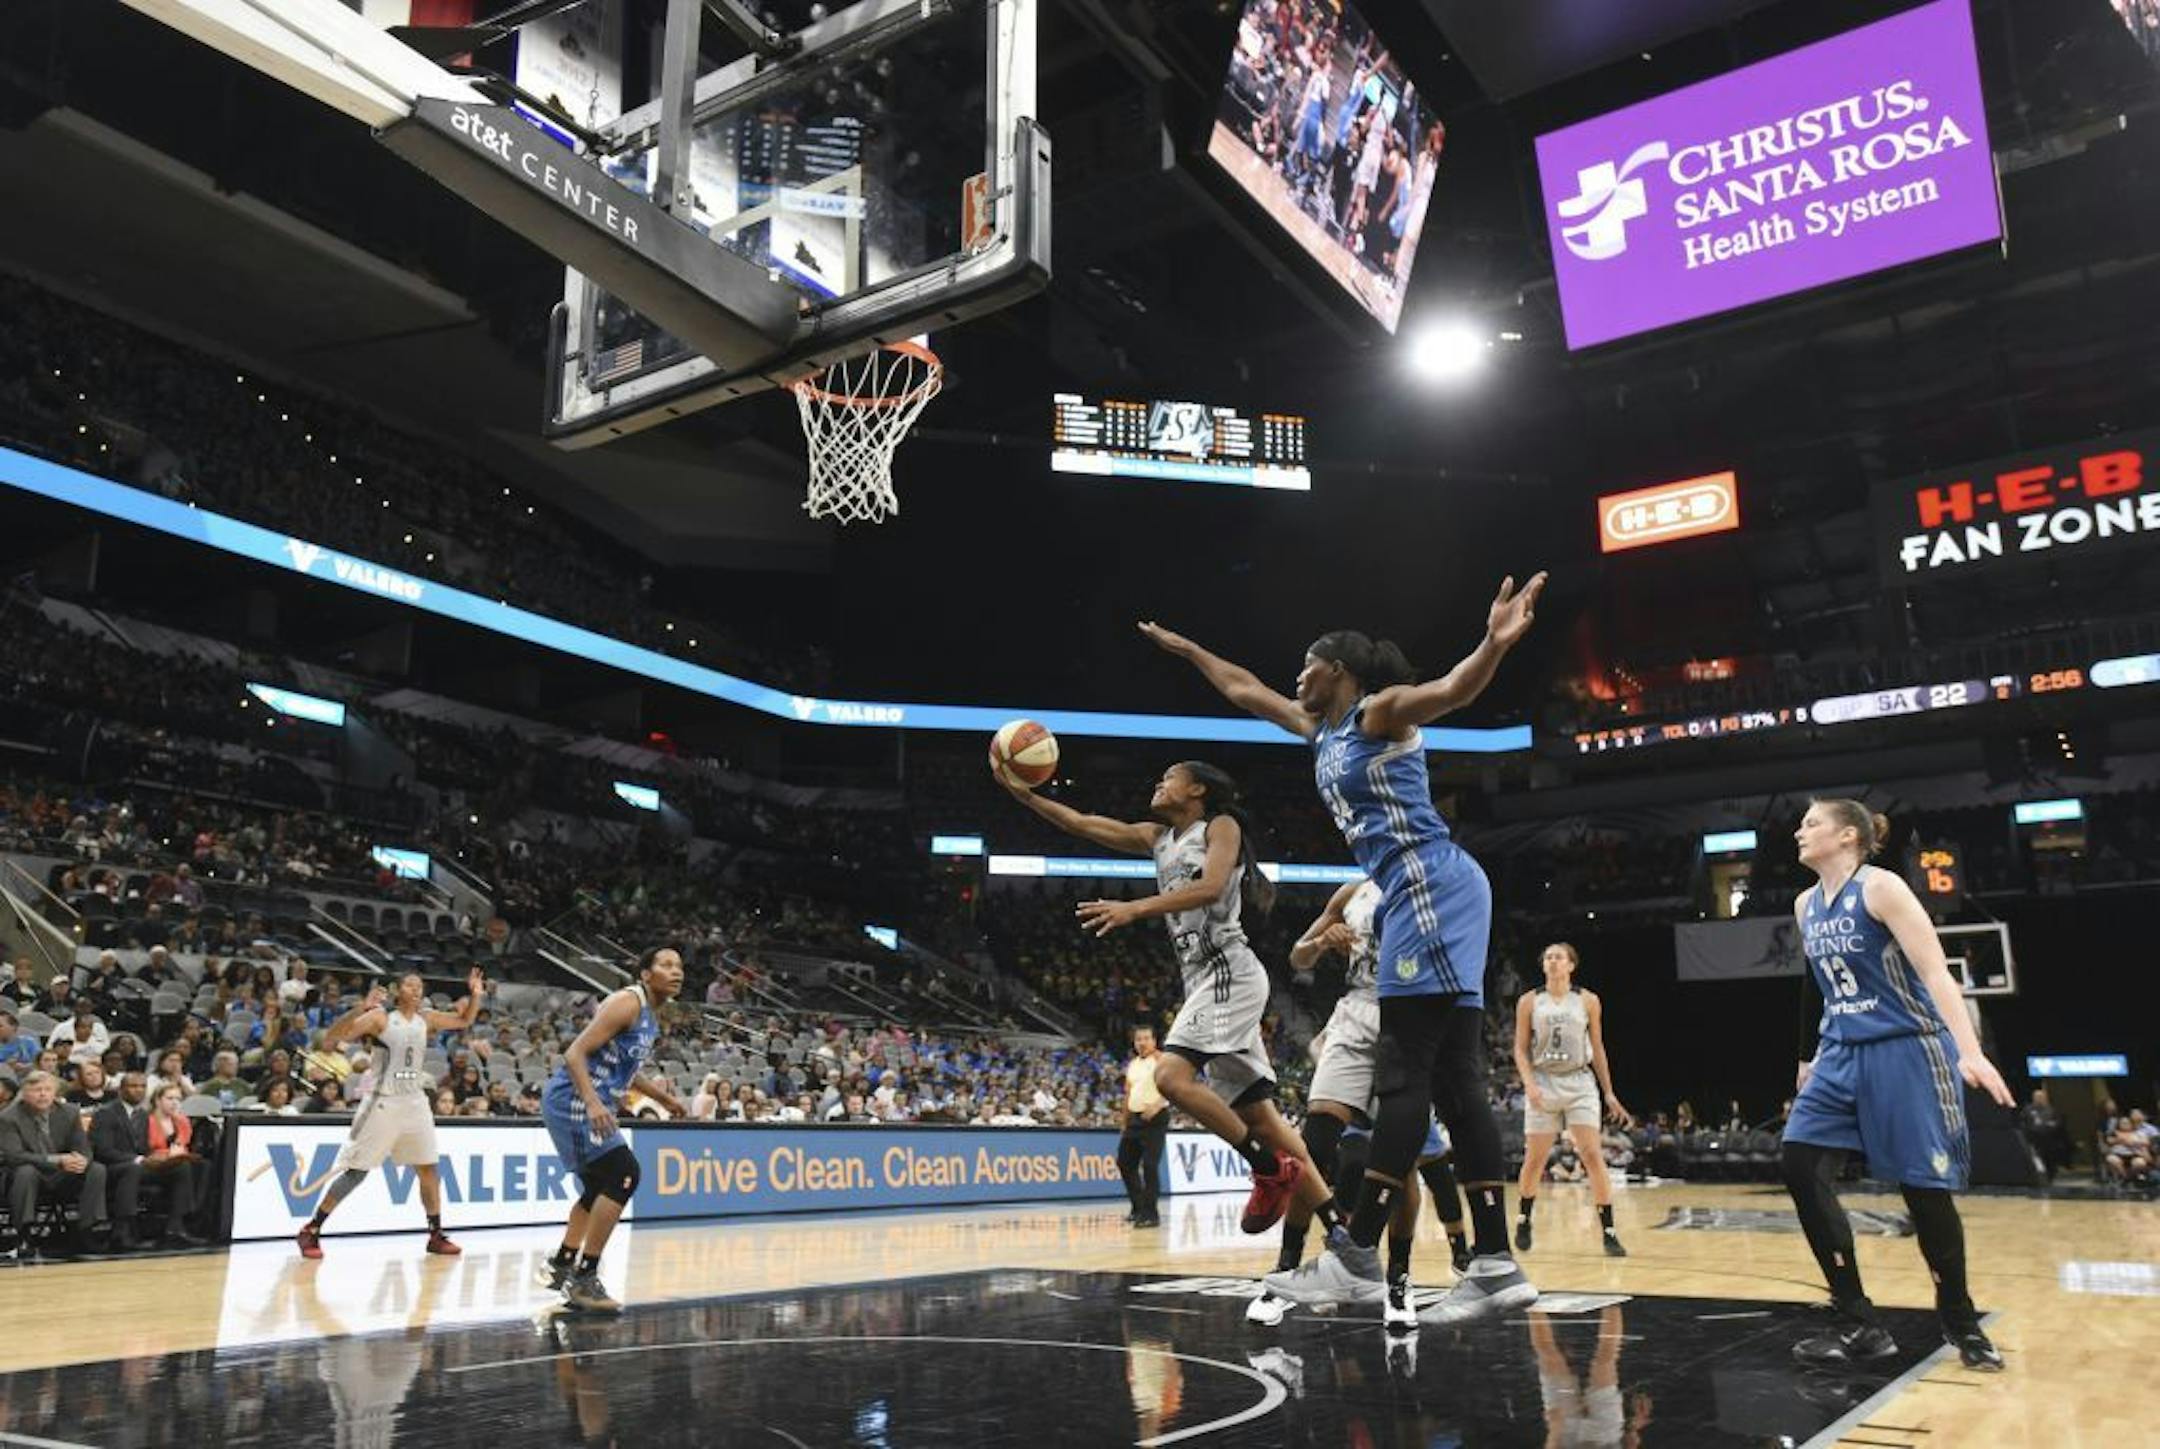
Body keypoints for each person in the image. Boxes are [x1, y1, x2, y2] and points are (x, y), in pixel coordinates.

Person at [1141, 573, 1546, 1328]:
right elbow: (1241, 686)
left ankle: (1356, 1252)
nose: (1296, 675)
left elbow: (1455, 690)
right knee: (1455, 1076)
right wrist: (1187, 647)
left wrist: (1494, 641)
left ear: (1341, 670)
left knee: (1406, 1073)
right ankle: (1492, 1262)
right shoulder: (1317, 729)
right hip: (1425, 891)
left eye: (1308, 663)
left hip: (1429, 884)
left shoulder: (1375, 712)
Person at [998, 759, 1333, 1239]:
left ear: (1196, 788)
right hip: (1202, 980)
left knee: (1170, 1076)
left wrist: (1134, 907)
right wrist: (1025, 796)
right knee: (1263, 1118)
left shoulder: (1220, 825)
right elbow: (1082, 823)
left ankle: (1266, 1169)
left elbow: (1211, 886)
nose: (1158, 783)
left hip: (1228, 972)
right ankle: (1340, 1229)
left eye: (1168, 777)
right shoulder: (1158, 838)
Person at [1781, 799, 2014, 1371]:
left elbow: (1935, 971)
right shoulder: (1805, 903)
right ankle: (1859, 1320)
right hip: (1840, 1050)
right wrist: (1808, 1055)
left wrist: (1970, 1051)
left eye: (1812, 823)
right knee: (1798, 1162)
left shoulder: (1882, 889)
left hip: (1905, 1045)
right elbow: (1815, 983)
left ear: (1850, 835)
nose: (1799, 831)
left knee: (1923, 1191)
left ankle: (1961, 1321)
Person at [1253, 875, 1467, 1331]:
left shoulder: (1436, 885)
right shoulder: (1354, 892)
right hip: (1353, 1015)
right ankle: (1285, 1272)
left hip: (1409, 1019)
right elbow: (1298, 955)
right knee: (1310, 1145)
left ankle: (1398, 1280)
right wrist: (1322, 943)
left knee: (1401, 1163)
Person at [295, 969, 487, 1260]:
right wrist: (361, 1007)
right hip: (383, 1102)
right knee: (357, 1173)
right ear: (397, 990)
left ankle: (435, 1234)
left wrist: (476, 996)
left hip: (415, 1101)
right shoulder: (380, 1018)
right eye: (410, 984)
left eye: (420, 985)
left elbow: (464, 1020)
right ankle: (312, 1229)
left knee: (428, 1169)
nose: (417, 989)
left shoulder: (427, 1018)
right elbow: (334, 1036)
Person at [539, 947, 688, 1314]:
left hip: (590, 1100)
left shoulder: (651, 1014)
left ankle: (562, 1263)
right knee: (623, 1173)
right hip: (573, 1099)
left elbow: (628, 1069)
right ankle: (583, 1278)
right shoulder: (627, 1002)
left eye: (680, 966)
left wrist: (663, 1099)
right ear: (645, 974)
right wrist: (592, 1102)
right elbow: (575, 1053)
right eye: (666, 965)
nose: (676, 972)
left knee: (598, 1186)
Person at [1512, 942, 1632, 1258]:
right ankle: (1524, 1218)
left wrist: (1608, 1092)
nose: (1552, 962)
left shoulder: (1588, 1000)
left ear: (1571, 965)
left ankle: (1609, 1231)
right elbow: (1519, 1049)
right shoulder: (1528, 1001)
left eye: (1559, 957)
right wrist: (1529, 1085)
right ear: (1543, 965)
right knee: (1535, 1158)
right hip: (1543, 1081)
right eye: (1548, 957)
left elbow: (1599, 1047)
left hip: (1579, 1080)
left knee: (1592, 1154)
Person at [0, 1070, 116, 1258]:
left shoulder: (69, 1112)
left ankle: (86, 1231)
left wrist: (81, 1160)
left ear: (55, 1092)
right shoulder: (8, 1117)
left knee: (95, 1169)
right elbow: (14, 1156)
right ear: (25, 1093)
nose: (43, 1094)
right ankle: (24, 1236)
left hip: (63, 1174)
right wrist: (58, 1160)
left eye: (47, 1089)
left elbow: (83, 1147)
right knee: (25, 1172)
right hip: (30, 1175)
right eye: (37, 1090)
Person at [91, 1072, 205, 1247]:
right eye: (133, 1086)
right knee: (133, 1168)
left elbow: (145, 1148)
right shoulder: (105, 1113)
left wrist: (159, 1157)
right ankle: (122, 1231)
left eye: (143, 1087)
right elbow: (103, 1151)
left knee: (182, 1167)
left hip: (140, 1165)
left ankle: (175, 1227)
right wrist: (139, 1159)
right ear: (121, 1090)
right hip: (112, 1168)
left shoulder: (143, 1115)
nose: (139, 1090)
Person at [1117, 1024, 1170, 1228]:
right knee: (1124, 1163)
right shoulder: (1133, 1064)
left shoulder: (1162, 1059)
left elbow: (1174, 1085)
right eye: (1138, 1039)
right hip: (1134, 1119)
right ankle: (1138, 1207)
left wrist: (1158, 1105)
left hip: (1154, 1119)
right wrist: (1124, 1120)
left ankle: (1151, 1214)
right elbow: (1128, 1094)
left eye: (1146, 1038)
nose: (1142, 1042)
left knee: (1149, 1165)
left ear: (1154, 1041)